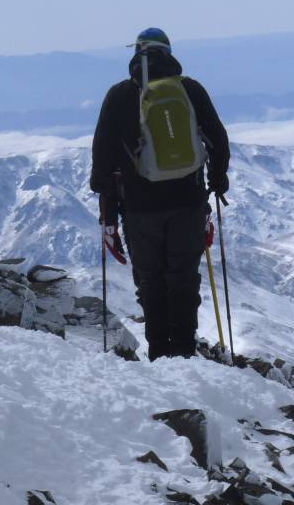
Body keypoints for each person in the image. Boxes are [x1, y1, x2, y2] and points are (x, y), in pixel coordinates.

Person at [90, 27, 229, 360]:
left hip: (139, 208)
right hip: (188, 202)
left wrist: (109, 215)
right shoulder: (190, 90)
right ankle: (183, 349)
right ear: (168, 53)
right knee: (182, 277)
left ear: (136, 54)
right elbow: (217, 140)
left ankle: (158, 351)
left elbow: (103, 160)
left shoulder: (120, 95)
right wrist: (217, 181)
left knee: (150, 281)